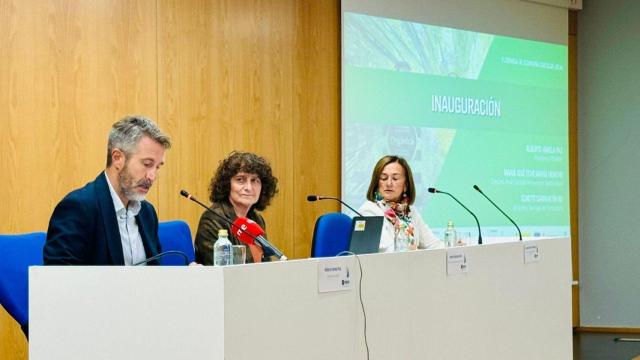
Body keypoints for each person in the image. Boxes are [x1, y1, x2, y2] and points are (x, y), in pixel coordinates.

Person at [44, 115, 171, 265]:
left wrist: (189, 277)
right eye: (147, 164)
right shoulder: (79, 208)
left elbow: (155, 277)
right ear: (117, 158)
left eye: (157, 167)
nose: (152, 176)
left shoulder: (147, 213)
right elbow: (59, 280)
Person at [194, 151, 278, 264]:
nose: (248, 187)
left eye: (254, 180)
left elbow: (266, 263)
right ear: (227, 185)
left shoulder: (256, 219)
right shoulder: (212, 219)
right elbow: (223, 269)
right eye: (240, 180)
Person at [358, 155, 442, 252]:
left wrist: (456, 248)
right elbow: (387, 252)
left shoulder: (409, 211)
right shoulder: (369, 211)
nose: (389, 183)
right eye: (383, 178)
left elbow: (434, 244)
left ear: (405, 186)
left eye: (395, 178)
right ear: (377, 183)